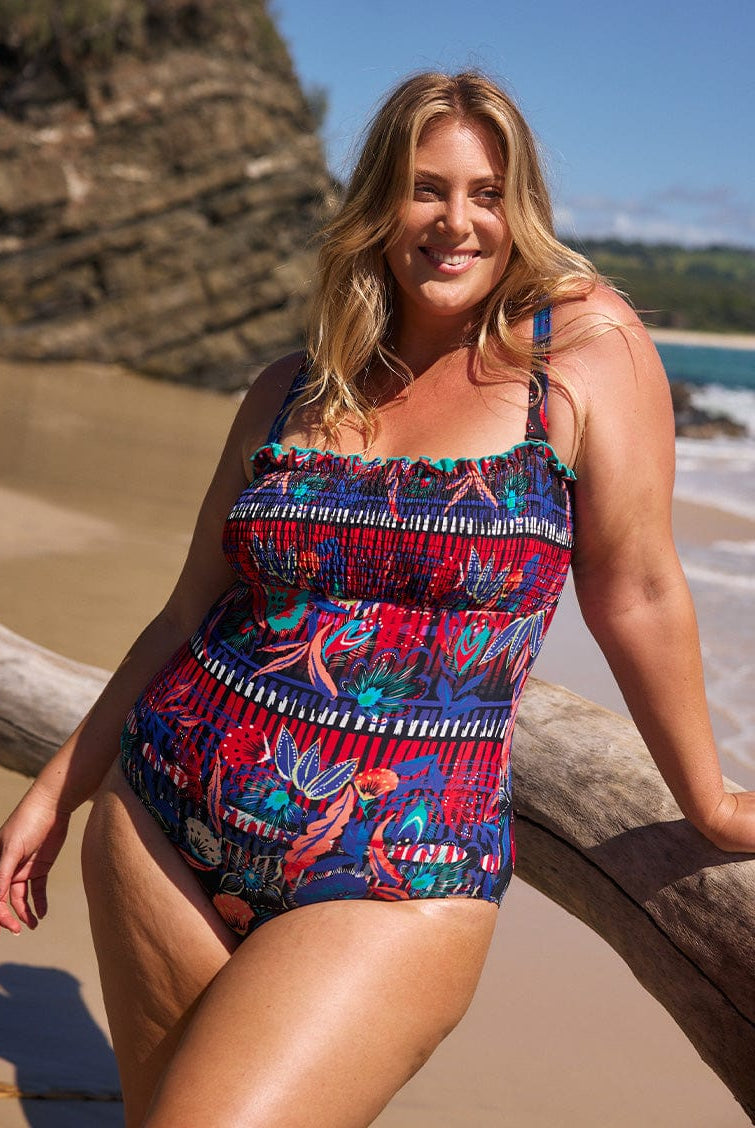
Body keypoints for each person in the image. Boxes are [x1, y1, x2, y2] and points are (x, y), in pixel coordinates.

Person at [1, 70, 753, 1127]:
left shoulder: (578, 357)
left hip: (399, 876)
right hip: (161, 819)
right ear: (376, 206)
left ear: (520, 210)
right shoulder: (291, 388)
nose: (456, 222)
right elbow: (186, 613)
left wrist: (707, 799)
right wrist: (58, 789)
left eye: (485, 194)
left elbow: (634, 588)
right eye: (424, 189)